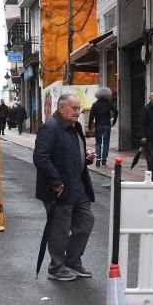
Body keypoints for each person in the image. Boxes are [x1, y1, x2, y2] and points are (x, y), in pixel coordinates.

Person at [33, 93, 96, 282]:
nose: (78, 112)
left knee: (86, 222)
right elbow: (41, 157)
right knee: (59, 230)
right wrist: (56, 181)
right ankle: (56, 267)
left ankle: (73, 261)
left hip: (78, 186)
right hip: (59, 190)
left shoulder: (75, 127)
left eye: (79, 108)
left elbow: (71, 153)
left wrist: (86, 157)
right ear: (62, 108)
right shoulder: (50, 128)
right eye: (74, 108)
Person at [87, 86, 118, 167]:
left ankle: (98, 160)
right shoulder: (109, 103)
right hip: (107, 126)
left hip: (98, 126)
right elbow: (116, 112)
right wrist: (114, 121)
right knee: (106, 144)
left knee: (98, 143)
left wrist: (89, 126)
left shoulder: (95, 104)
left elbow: (91, 116)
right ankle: (104, 161)